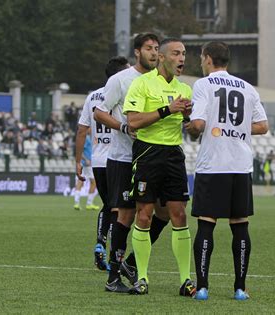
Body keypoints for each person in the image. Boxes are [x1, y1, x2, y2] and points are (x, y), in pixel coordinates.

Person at [185, 41, 269, 301]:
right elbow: (263, 126)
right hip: (240, 166)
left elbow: (198, 124)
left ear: (208, 58)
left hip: (213, 165)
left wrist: (189, 124)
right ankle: (240, 288)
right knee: (240, 227)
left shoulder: (202, 85)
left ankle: (202, 287)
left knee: (206, 225)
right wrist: (238, 128)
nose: (201, 62)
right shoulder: (247, 88)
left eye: (201, 58)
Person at [95, 33, 173, 293]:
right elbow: (99, 112)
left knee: (164, 213)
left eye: (157, 48)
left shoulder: (160, 81)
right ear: (137, 52)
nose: (154, 53)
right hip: (124, 159)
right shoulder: (120, 80)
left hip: (152, 158)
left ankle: (129, 263)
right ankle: (113, 277)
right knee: (126, 215)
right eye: (149, 48)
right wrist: (123, 126)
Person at [122, 38, 195, 296]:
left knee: (180, 215)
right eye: (176, 53)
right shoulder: (141, 84)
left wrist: (188, 118)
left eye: (184, 54)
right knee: (144, 215)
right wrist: (167, 109)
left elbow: (193, 133)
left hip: (174, 154)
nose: (182, 59)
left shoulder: (185, 89)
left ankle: (186, 281)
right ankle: (141, 278)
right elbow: (133, 122)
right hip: (147, 153)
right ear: (162, 57)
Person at [76, 56, 130, 271]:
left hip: (98, 160)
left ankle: (100, 242)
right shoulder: (126, 91)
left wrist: (77, 161)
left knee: (108, 205)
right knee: (121, 208)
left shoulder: (93, 96)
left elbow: (82, 130)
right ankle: (114, 256)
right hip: (118, 157)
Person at [74, 128, 99, 211]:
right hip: (87, 164)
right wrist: (86, 160)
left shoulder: (88, 137)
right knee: (93, 182)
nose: (91, 129)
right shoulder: (86, 138)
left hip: (83, 163)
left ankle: (76, 203)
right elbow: (81, 150)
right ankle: (89, 203)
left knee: (80, 181)